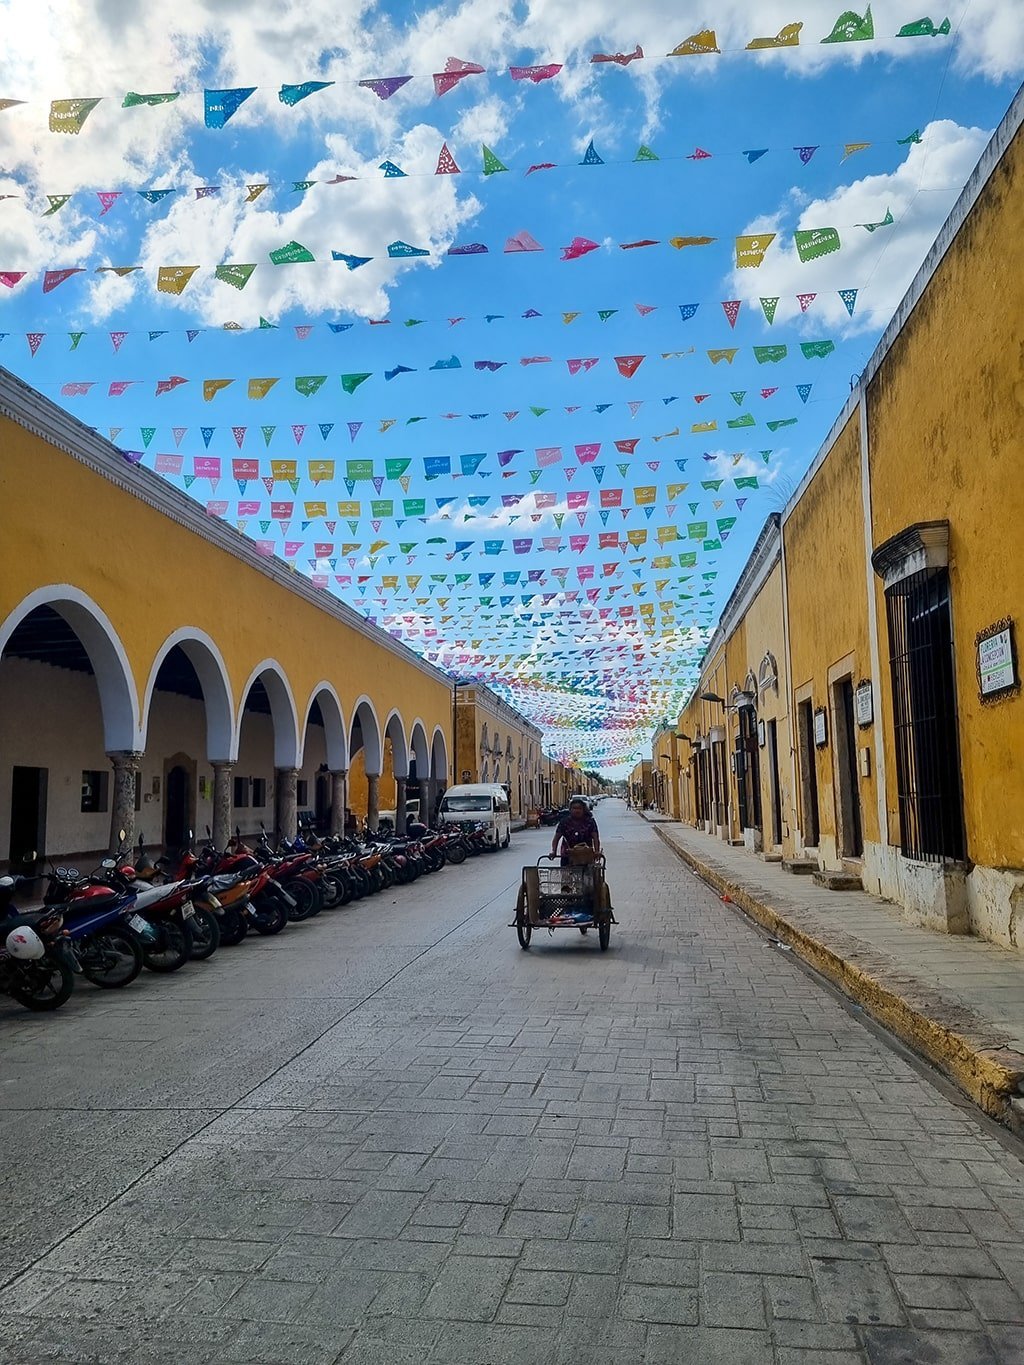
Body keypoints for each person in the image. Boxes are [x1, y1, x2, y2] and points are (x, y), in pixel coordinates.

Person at [551, 797, 601, 865]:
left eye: (579, 808)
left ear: (583, 810)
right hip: (567, 855)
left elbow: (595, 838)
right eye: (574, 808)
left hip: (586, 855)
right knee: (566, 874)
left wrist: (597, 851)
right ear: (570, 810)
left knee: (587, 874)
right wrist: (554, 851)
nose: (577, 810)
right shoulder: (564, 822)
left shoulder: (590, 822)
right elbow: (556, 838)